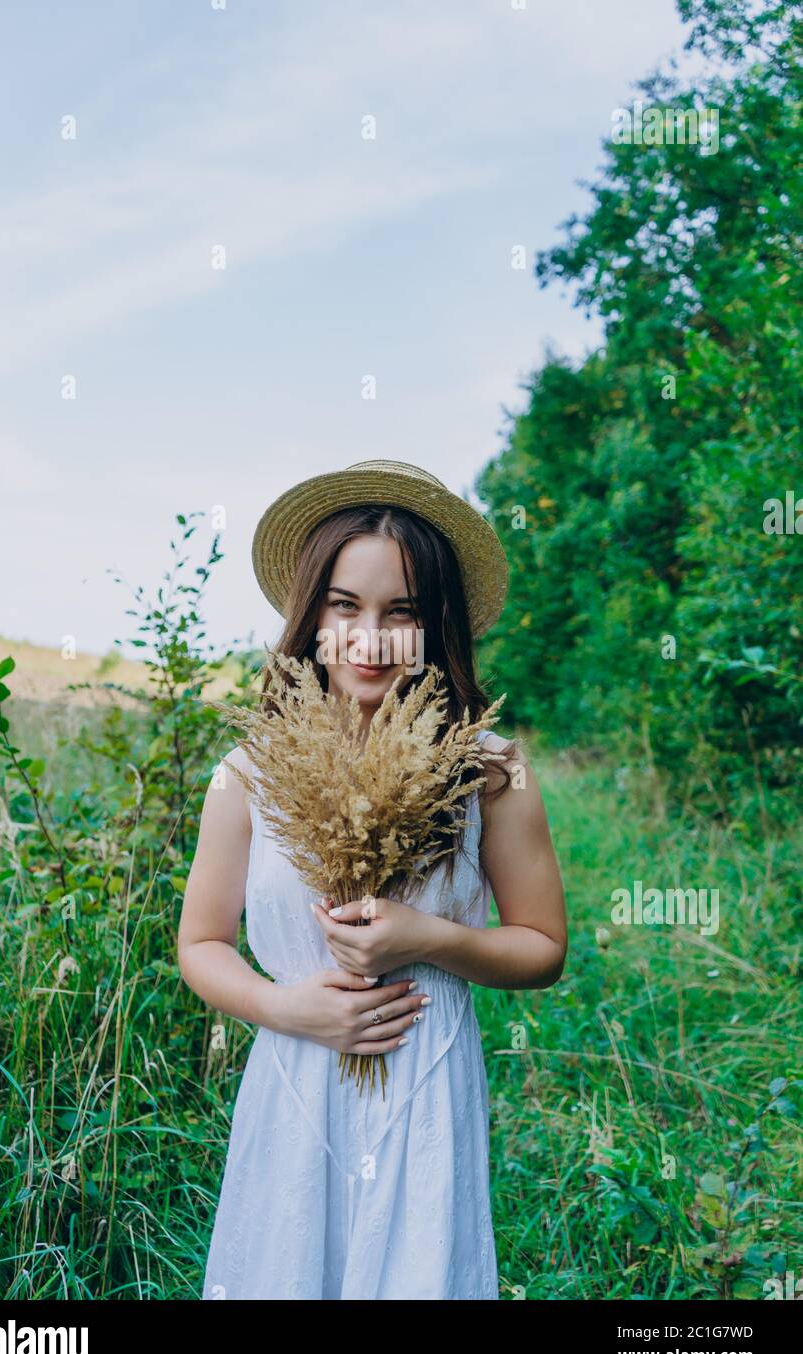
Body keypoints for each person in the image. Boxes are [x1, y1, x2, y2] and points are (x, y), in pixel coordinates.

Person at [178, 458, 567, 1299]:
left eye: (403, 612)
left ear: (437, 628)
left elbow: (543, 949)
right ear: (311, 613)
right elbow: (202, 943)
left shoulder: (492, 772)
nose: (369, 635)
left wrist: (430, 937)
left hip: (427, 1090)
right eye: (344, 605)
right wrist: (286, 1007)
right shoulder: (248, 773)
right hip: (295, 1080)